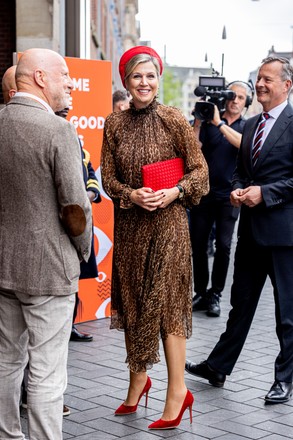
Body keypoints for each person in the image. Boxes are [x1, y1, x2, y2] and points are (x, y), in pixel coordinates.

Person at [101, 45, 209, 430]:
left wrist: (174, 192)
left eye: (150, 75)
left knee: (166, 306)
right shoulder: (114, 124)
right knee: (132, 303)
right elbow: (107, 176)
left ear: (157, 78)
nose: (143, 83)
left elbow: (201, 173)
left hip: (169, 227)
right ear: (125, 81)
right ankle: (138, 382)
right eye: (136, 76)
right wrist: (130, 194)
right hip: (132, 227)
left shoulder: (173, 118)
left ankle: (177, 390)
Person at [185, 56, 293, 404]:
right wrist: (237, 187)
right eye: (259, 78)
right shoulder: (252, 126)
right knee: (240, 306)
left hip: (283, 236)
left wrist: (266, 192)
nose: (260, 85)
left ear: (286, 86)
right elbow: (242, 171)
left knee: (286, 314)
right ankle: (217, 367)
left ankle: (284, 379)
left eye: (268, 80)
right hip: (250, 232)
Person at [0, 48, 92, 439]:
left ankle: (7, 434)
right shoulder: (58, 130)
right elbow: (75, 208)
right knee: (47, 372)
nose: (70, 82)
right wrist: (84, 252)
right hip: (48, 270)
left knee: (6, 361)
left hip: (4, 267)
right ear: (40, 77)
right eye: (65, 74)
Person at [190, 81, 251, 317]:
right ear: (225, 97)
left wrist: (219, 123)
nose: (235, 101)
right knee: (198, 244)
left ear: (247, 103)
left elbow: (242, 145)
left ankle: (215, 293)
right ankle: (201, 293)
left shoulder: (248, 126)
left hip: (229, 196)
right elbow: (194, 149)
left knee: (224, 246)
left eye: (242, 98)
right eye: (233, 96)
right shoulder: (207, 121)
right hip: (203, 193)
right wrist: (197, 122)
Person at [55, 107, 101, 343]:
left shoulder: (73, 136)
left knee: (76, 281)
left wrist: (91, 193)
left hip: (80, 219)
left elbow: (90, 171)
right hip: (62, 222)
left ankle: (70, 326)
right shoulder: (53, 135)